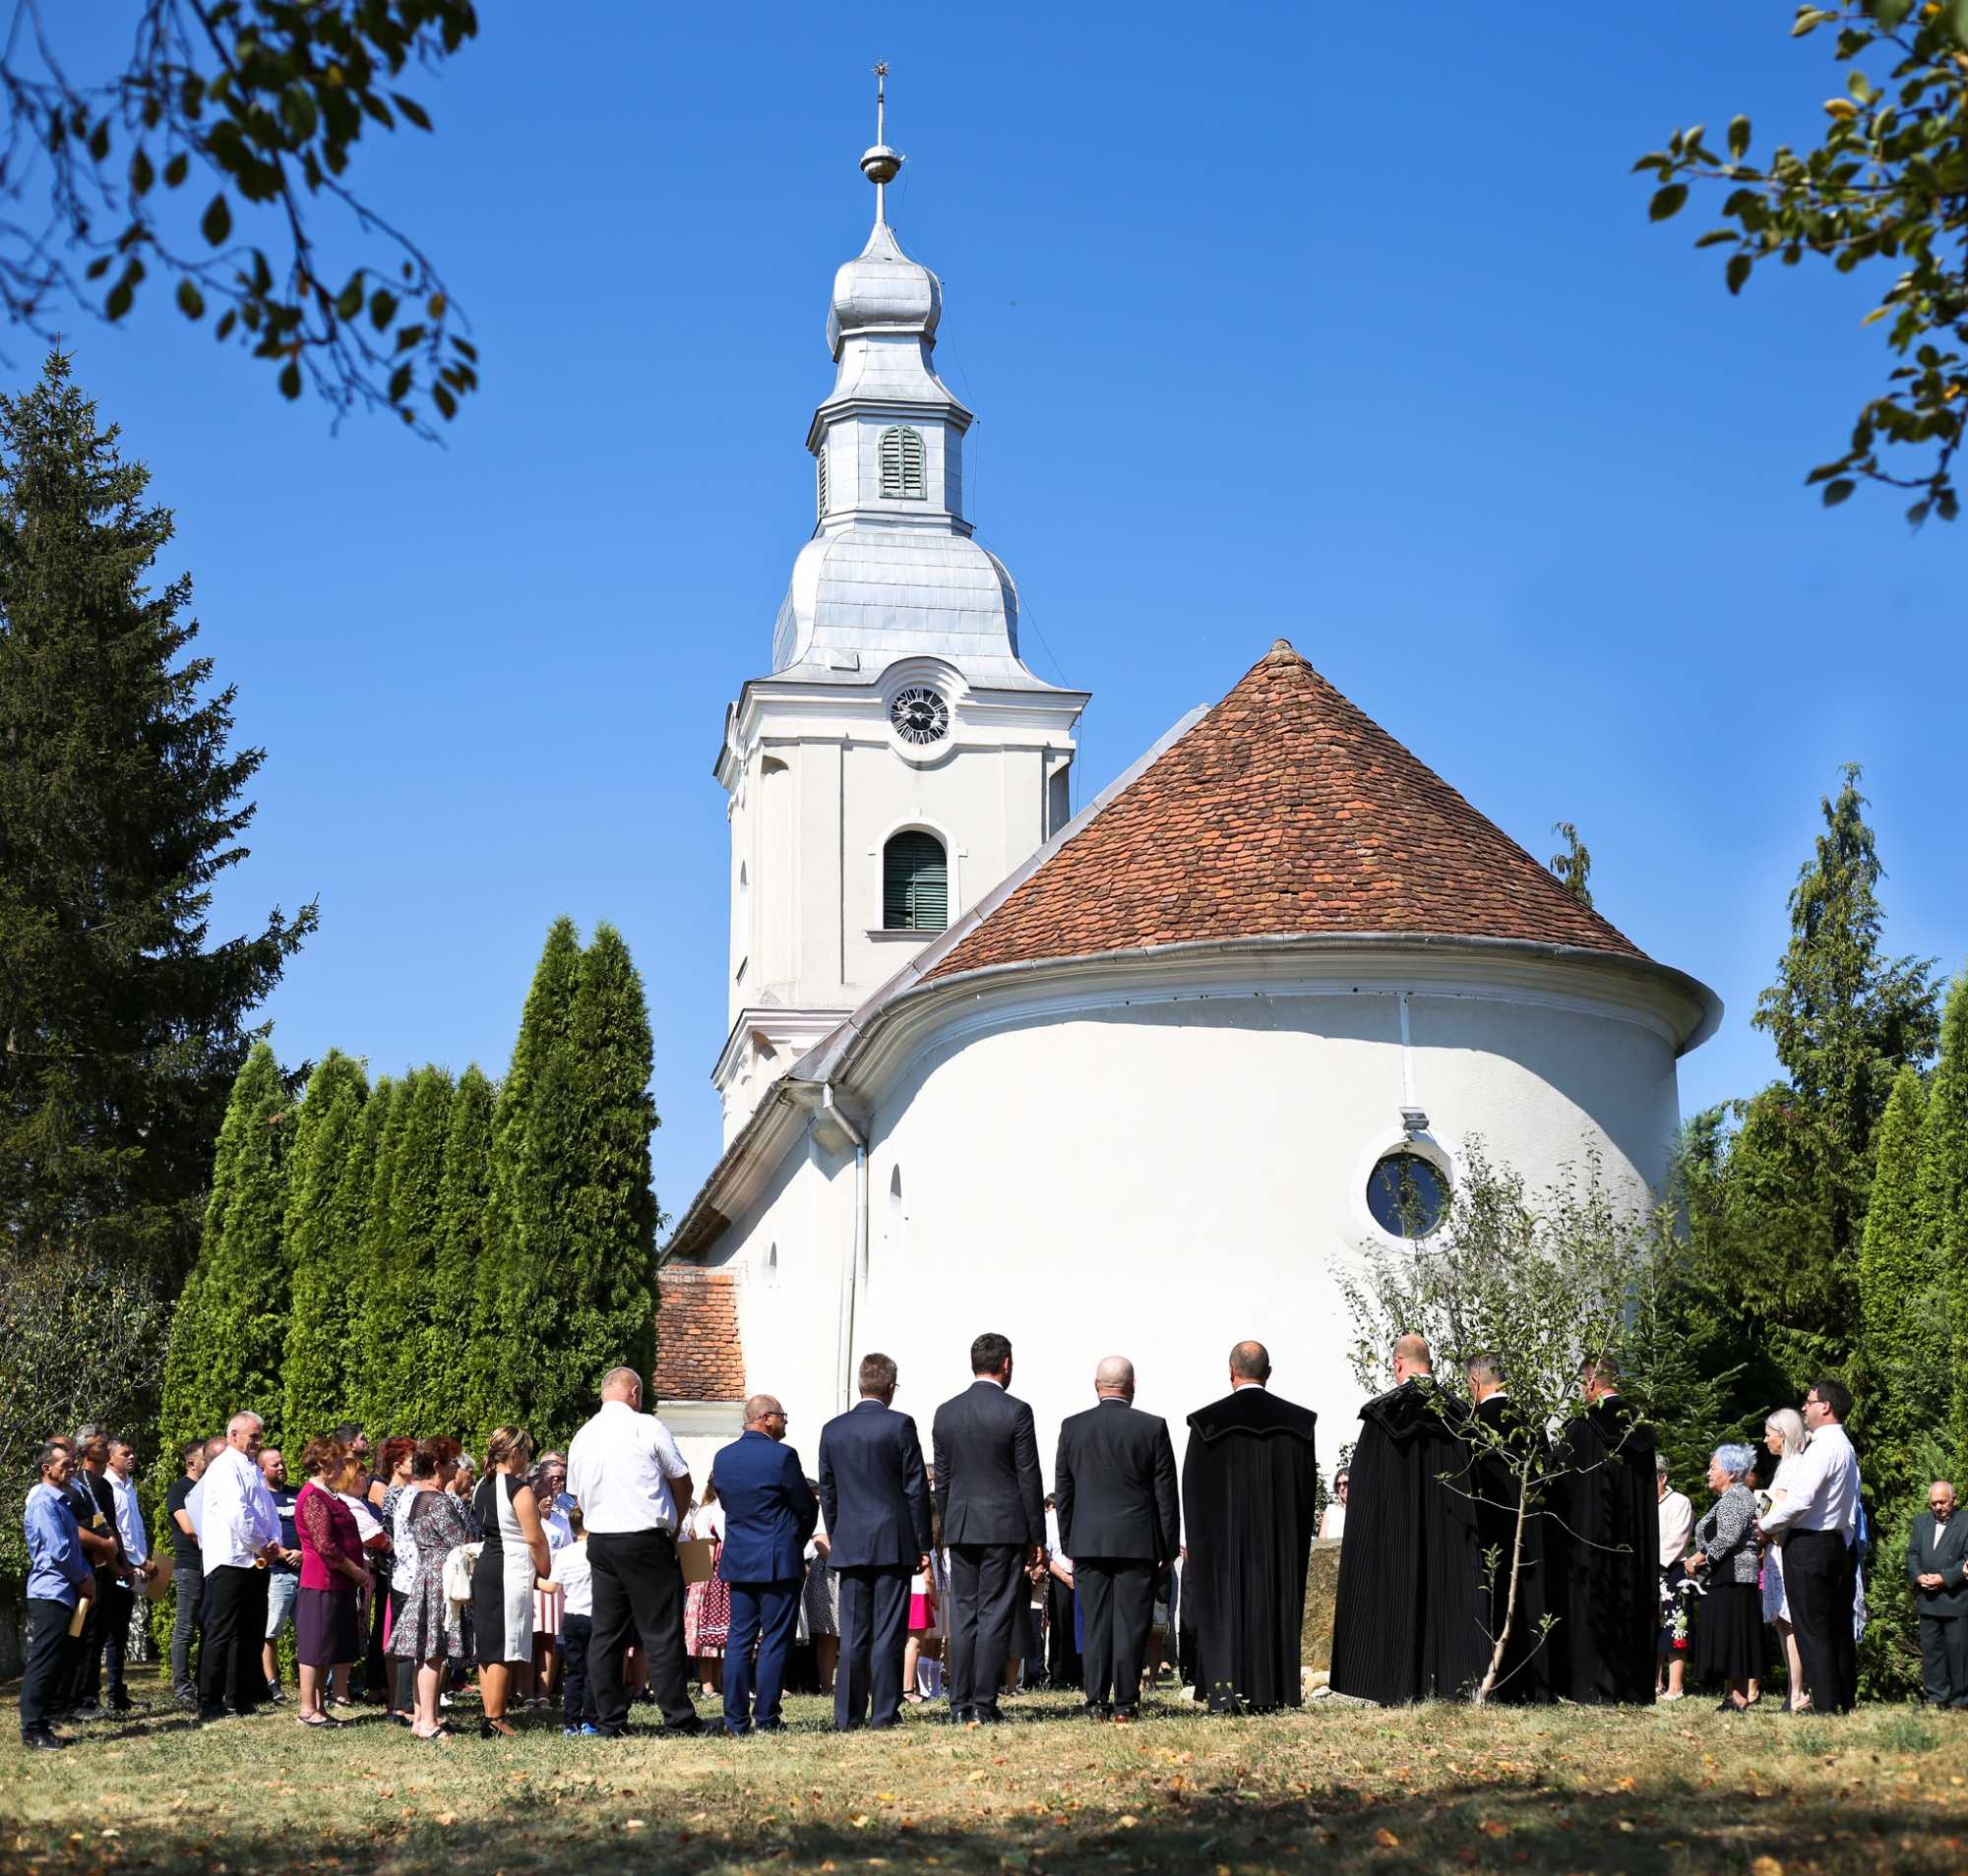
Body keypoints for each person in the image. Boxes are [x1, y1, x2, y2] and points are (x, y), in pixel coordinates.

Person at [1328, 1335, 1480, 1706]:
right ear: (1429, 1363)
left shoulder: (1381, 1416)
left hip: (1395, 1533)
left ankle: (1396, 1684)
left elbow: (1364, 1491)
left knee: (1396, 1596)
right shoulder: (1461, 1414)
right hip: (1450, 1535)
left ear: (1398, 1364)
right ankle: (1451, 1682)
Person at [566, 1364, 702, 1738]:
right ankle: (678, 1718)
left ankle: (609, 1721)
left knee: (606, 1634)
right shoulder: (647, 1426)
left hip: (602, 1540)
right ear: (635, 1394)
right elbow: (682, 1480)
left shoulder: (583, 1435)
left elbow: (575, 1492)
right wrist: (673, 1525)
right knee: (661, 1632)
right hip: (644, 1537)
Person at [1054, 1356, 1180, 1724]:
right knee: (1131, 1624)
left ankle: (1094, 1701)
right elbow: (1165, 1494)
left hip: (1088, 1541)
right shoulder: (1152, 1427)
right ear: (1133, 1385)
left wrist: (1068, 1542)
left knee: (1094, 1625)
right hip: (1137, 1542)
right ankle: (1125, 1702)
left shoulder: (1073, 1428)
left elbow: (1065, 1489)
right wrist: (1168, 1547)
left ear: (1097, 1386)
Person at [932, 1331, 1047, 1725]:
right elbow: (1028, 1477)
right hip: (1004, 1526)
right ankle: (984, 1702)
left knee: (963, 1615)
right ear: (1006, 1364)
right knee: (995, 1613)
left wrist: (949, 1525)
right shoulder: (1017, 1411)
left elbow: (942, 1480)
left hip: (962, 1526)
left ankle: (959, 1702)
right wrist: (1037, 1536)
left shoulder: (946, 1412)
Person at [818, 1351, 934, 1731]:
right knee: (888, 1631)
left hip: (850, 1541)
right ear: (890, 1387)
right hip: (892, 1540)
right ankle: (883, 1712)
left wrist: (837, 1535)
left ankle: (847, 1715)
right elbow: (915, 1488)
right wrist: (923, 1544)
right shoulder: (900, 1425)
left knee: (852, 1634)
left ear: (860, 1384)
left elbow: (829, 1493)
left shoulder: (832, 1430)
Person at [1552, 1355, 1659, 1705]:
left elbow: (1560, 1488)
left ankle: (1591, 1686)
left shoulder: (1583, 1427)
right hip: (1634, 1542)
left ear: (1590, 1385)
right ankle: (1634, 1687)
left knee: (1593, 1602)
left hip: (1592, 1541)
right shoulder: (1639, 1429)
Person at [712, 1393, 819, 1735]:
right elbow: (805, 1505)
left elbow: (728, 1505)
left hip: (740, 1557)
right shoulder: (782, 1456)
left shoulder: (724, 1457)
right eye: (783, 1416)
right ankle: (767, 1717)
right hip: (776, 1560)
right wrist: (793, 1540)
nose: (785, 1422)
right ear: (766, 1418)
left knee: (739, 1639)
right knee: (775, 1640)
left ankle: (735, 1719)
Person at [1760, 1377, 1862, 1715]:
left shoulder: (1823, 1447)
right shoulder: (1846, 1447)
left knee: (1811, 1630)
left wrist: (1765, 1525)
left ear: (1825, 1406)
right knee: (1835, 1627)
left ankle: (1826, 1707)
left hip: (1809, 1544)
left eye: (1808, 1401)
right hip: (1834, 1544)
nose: (1803, 1407)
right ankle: (1842, 1700)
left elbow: (1801, 1500)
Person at [1465, 1355, 1554, 1704]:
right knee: (1532, 1605)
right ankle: (1537, 1686)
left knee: (1495, 1601)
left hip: (1490, 1533)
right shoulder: (1532, 1423)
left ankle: (1499, 1685)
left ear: (1475, 1383)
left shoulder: (1473, 1426)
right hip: (1532, 1532)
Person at [197, 1411, 282, 1724]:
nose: (257, 1443)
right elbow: (239, 1514)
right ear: (233, 1435)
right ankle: (209, 1700)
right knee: (221, 1631)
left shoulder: (251, 1468)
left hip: (256, 1559)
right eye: (253, 1437)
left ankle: (238, 1695)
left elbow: (267, 1509)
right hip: (230, 1559)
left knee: (249, 1631)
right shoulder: (224, 1468)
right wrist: (261, 1543)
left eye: (260, 1437)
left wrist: (273, 1542)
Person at [391, 1438, 475, 1740]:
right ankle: (427, 1721)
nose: (457, 1466)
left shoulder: (418, 1496)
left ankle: (422, 1718)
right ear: (437, 1466)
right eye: (453, 1462)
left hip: (428, 1573)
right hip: (440, 1576)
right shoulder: (437, 1500)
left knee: (426, 1653)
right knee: (433, 1654)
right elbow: (459, 1539)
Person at [471, 1425, 552, 1738]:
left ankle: (489, 1713)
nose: (528, 1459)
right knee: (505, 1645)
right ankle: (496, 1716)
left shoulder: (481, 1484)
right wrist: (545, 1570)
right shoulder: (519, 1489)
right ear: (516, 1452)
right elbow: (535, 1538)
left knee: (489, 1646)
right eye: (527, 1452)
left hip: (487, 1566)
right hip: (510, 1568)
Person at [22, 1440, 94, 1749]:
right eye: (64, 1464)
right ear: (46, 1468)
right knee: (44, 1660)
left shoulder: (60, 1500)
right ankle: (33, 1729)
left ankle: (43, 1721)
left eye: (72, 1463)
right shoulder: (42, 1501)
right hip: (51, 1591)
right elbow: (60, 1550)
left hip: (64, 1591)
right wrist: (84, 1578)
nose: (71, 1468)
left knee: (57, 1660)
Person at [295, 1439, 372, 1728]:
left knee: (327, 1646)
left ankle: (319, 1707)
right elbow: (326, 1547)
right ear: (323, 1465)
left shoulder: (330, 1494)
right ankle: (306, 1709)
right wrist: (357, 1572)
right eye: (339, 1462)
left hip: (337, 1584)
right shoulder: (313, 1496)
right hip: (321, 1582)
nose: (343, 1467)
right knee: (315, 1646)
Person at [1686, 1444, 1761, 1712]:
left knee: (1735, 1635)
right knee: (1731, 1635)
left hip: (1735, 1577)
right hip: (1726, 1576)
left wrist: (1698, 1558)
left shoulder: (1736, 1497)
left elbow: (1727, 1538)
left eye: (1713, 1468)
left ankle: (1739, 1697)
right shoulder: (1730, 1497)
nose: (1708, 1473)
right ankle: (1733, 1695)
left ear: (1731, 1473)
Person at [66, 1427, 128, 1721]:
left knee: (99, 1634)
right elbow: (88, 1531)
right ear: (84, 1450)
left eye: (106, 1443)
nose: (105, 1447)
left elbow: (109, 1527)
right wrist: (113, 1561)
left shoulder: (101, 1486)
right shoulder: (79, 1485)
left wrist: (123, 1564)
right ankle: (80, 1699)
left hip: (106, 1571)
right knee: (83, 1633)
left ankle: (89, 1694)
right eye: (100, 1444)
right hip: (87, 1574)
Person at [1758, 1407, 1810, 1708]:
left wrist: (1762, 1516)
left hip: (1784, 1545)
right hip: (1775, 1548)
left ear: (1784, 1434)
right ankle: (1793, 1690)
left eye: (1769, 1434)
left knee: (1790, 1621)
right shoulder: (1785, 1465)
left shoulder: (1795, 1466)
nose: (1765, 1441)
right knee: (1782, 1621)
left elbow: (1783, 1507)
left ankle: (1797, 1691)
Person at [102, 1437, 154, 1712]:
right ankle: (110, 1693)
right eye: (126, 1454)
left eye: (133, 1453)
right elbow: (117, 1532)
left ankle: (118, 1691)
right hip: (120, 1566)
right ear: (110, 1458)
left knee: (122, 1629)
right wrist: (137, 1561)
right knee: (113, 1629)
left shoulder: (129, 1487)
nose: (132, 1457)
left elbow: (136, 1529)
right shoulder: (108, 1487)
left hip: (135, 1566)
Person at [1907, 1481, 1968, 1710]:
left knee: (1959, 1652)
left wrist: (1945, 1578)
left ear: (1955, 1499)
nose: (1938, 1507)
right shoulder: (1920, 1522)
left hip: (1957, 1599)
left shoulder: (1966, 1522)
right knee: (1932, 1652)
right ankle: (1935, 1698)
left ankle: (1961, 1701)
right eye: (1933, 1503)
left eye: (1942, 1502)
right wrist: (1918, 1576)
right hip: (1928, 1598)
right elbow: (1912, 1553)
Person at [164, 1436, 211, 1708]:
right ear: (192, 1462)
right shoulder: (179, 1489)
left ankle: (203, 1684)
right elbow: (189, 1528)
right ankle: (182, 1689)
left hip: (209, 1566)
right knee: (185, 1628)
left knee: (209, 1627)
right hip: (190, 1566)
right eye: (205, 1458)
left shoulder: (208, 1489)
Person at [259, 1446, 302, 1702]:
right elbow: (261, 1533)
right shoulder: (262, 1497)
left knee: (307, 1630)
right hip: (277, 1573)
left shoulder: (297, 1494)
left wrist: (303, 1554)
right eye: (275, 1465)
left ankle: (308, 1680)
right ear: (262, 1469)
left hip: (304, 1571)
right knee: (271, 1631)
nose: (281, 1467)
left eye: (282, 1463)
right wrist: (286, 1553)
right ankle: (272, 1683)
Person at [551, 1504, 597, 1734]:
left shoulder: (564, 1553)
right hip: (594, 1616)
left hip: (571, 1616)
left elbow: (551, 1586)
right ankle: (590, 1720)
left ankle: (570, 1722)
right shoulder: (597, 1552)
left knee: (574, 1671)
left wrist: (531, 1579)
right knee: (593, 1671)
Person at [681, 1482, 729, 1694]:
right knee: (705, 1629)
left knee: (721, 1632)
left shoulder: (724, 1509)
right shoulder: (707, 1512)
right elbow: (704, 1551)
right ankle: (708, 1683)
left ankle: (718, 1681)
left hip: (721, 1574)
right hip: (708, 1575)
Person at [1656, 1455, 1695, 1700]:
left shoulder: (1680, 1502)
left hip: (1673, 1571)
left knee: (1676, 1628)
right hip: (1648, 1571)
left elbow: (1678, 1538)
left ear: (1663, 1477)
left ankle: (1675, 1686)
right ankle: (1655, 1683)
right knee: (1653, 1628)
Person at [1319, 1470, 1349, 1543]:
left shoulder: (1363, 1510)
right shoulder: (1330, 1510)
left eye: (1345, 1483)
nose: (1341, 1487)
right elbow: (1321, 1542)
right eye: (1338, 1485)